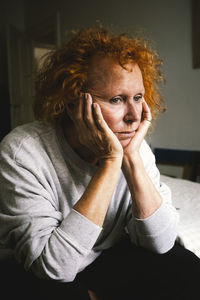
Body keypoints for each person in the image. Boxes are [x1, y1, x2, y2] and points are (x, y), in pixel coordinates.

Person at [0, 26, 200, 300]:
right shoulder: (22, 151)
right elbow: (53, 267)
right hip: (35, 265)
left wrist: (131, 158)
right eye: (116, 99)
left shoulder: (135, 147)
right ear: (72, 104)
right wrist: (110, 162)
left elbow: (161, 244)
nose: (133, 116)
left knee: (187, 269)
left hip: (101, 255)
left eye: (138, 98)